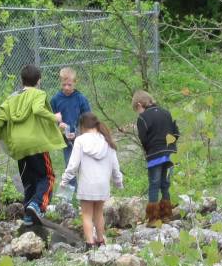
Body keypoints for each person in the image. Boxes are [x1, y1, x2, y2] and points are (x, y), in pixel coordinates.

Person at [0, 64, 66, 225]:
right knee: (47, 177)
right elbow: (38, 110)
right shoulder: (38, 93)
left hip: (18, 146)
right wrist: (55, 118)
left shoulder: (11, 98)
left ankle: (28, 216)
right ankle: (36, 205)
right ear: (39, 81)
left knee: (29, 181)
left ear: (21, 80)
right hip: (36, 143)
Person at [60, 113, 123, 250]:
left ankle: (90, 244)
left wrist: (65, 180)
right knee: (99, 213)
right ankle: (101, 241)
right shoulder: (107, 141)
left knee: (87, 215)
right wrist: (118, 182)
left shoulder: (80, 141)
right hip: (103, 185)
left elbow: (73, 165)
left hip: (87, 184)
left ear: (82, 126)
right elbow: (115, 165)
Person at [132, 90, 179, 227]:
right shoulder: (166, 112)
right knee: (165, 184)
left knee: (154, 184)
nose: (138, 113)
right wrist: (171, 146)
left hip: (154, 155)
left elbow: (144, 139)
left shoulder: (142, 118)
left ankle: (153, 218)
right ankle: (166, 216)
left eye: (137, 109)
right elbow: (176, 132)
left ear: (140, 104)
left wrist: (150, 150)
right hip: (170, 154)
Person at [51, 67, 92, 188]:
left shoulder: (80, 99)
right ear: (60, 83)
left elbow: (88, 118)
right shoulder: (55, 100)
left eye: (69, 84)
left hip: (82, 138)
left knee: (85, 164)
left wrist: (78, 132)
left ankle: (87, 189)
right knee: (70, 165)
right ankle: (73, 191)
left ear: (75, 82)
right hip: (65, 139)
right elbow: (51, 118)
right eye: (64, 85)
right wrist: (59, 125)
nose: (67, 88)